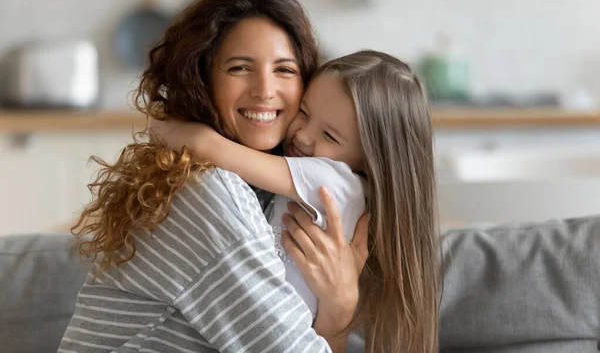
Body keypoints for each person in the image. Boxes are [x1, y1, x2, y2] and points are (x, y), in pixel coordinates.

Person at [59, 0, 368, 353]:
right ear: (202, 80)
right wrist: (338, 309)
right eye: (240, 68)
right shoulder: (208, 194)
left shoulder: (267, 192)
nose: (265, 90)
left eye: (284, 70)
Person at [150, 50, 441, 352]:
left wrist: (158, 126)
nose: (302, 135)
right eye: (303, 112)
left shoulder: (333, 181)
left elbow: (206, 146)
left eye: (329, 135)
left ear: (371, 159)